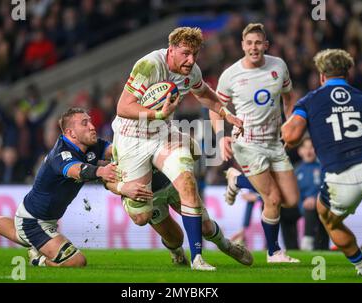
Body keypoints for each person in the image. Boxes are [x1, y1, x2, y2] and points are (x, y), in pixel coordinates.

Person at [0, 108, 151, 267]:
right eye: (85, 123)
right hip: (34, 222)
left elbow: (116, 150)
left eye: (90, 121)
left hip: (35, 216)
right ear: (70, 132)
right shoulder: (60, 154)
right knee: (77, 261)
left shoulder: (91, 145)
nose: (92, 126)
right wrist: (101, 172)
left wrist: (142, 145)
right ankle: (39, 260)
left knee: (18, 234)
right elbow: (76, 170)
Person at [112, 27, 243, 271]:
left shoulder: (191, 71)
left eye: (194, 54)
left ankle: (197, 258)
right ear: (170, 50)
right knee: (141, 217)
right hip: (132, 138)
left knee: (187, 179)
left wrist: (226, 113)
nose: (190, 60)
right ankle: (156, 199)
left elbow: (203, 93)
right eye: (185, 53)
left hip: (163, 135)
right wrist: (157, 113)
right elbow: (122, 107)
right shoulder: (149, 65)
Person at [282, 49, 362, 276]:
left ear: (322, 75)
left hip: (339, 178)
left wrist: (288, 118)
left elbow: (292, 138)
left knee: (327, 217)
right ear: (348, 74)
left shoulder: (310, 101)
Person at [210, 23, 300, 263]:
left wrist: (289, 124)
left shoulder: (278, 66)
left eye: (258, 42)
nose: (254, 47)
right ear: (243, 46)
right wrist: (221, 139)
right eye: (249, 43)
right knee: (272, 198)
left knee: (290, 200)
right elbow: (215, 108)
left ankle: (236, 180)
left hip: (274, 141)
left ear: (266, 45)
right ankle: (274, 253)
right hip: (247, 142)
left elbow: (289, 98)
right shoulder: (231, 75)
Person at [105, 143, 253, 267]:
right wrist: (122, 189)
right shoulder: (124, 143)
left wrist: (184, 146)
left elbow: (194, 151)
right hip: (149, 196)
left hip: (173, 185)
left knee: (206, 228)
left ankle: (226, 246)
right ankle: (177, 253)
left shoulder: (161, 131)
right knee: (175, 239)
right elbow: (108, 178)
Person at [295, 138, 329, 251]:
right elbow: (294, 193)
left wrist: (316, 199)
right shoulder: (296, 170)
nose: (308, 151)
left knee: (312, 206)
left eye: (311, 147)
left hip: (321, 205)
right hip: (301, 207)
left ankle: (308, 240)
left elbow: (329, 188)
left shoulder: (323, 168)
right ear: (300, 151)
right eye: (305, 147)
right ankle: (290, 247)